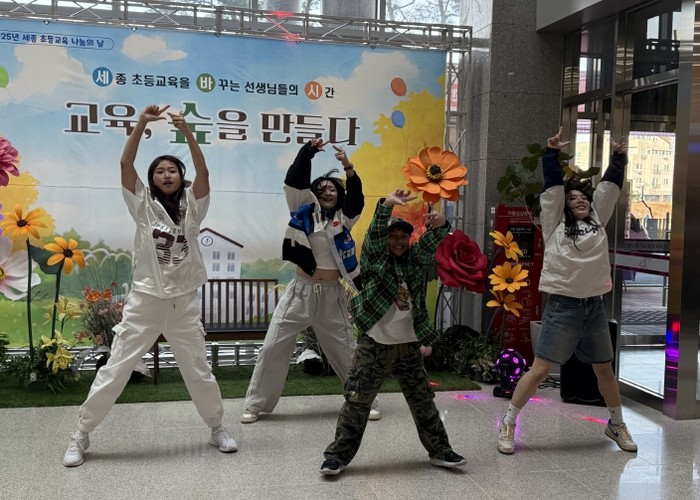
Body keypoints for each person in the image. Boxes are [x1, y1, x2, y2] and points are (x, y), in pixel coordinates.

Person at [62, 104, 237, 467]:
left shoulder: (193, 205)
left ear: (180, 176)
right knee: (116, 367)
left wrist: (187, 132)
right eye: (160, 171)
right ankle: (81, 434)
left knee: (198, 370)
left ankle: (217, 428)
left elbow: (204, 172)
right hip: (145, 301)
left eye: (172, 170)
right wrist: (142, 122)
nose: (166, 174)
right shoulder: (142, 205)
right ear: (152, 178)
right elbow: (125, 165)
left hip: (183, 303)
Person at [497, 127, 637, 455]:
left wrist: (618, 158)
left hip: (594, 308)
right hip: (563, 307)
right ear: (564, 206)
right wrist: (551, 155)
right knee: (541, 369)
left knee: (604, 369)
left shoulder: (598, 221)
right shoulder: (555, 226)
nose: (580, 201)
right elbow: (552, 191)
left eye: (583, 198)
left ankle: (616, 424)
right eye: (573, 199)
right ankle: (508, 422)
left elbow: (609, 189)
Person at [320, 189, 467, 475]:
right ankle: (337, 457)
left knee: (423, 401)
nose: (398, 241)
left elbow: (431, 241)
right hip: (374, 345)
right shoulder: (376, 260)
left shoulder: (414, 261)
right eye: (393, 236)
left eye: (403, 237)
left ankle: (440, 451)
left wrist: (442, 224)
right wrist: (386, 205)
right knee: (357, 402)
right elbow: (374, 236)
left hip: (408, 347)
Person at [241, 138, 380, 423]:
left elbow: (357, 198)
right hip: (301, 292)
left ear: (339, 195)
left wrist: (348, 168)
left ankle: (363, 401)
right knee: (273, 346)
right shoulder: (303, 211)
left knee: (346, 350)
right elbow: (294, 181)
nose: (327, 192)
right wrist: (307, 152)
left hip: (331, 294)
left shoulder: (344, 218)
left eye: (332, 188)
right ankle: (255, 405)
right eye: (321, 189)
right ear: (313, 195)